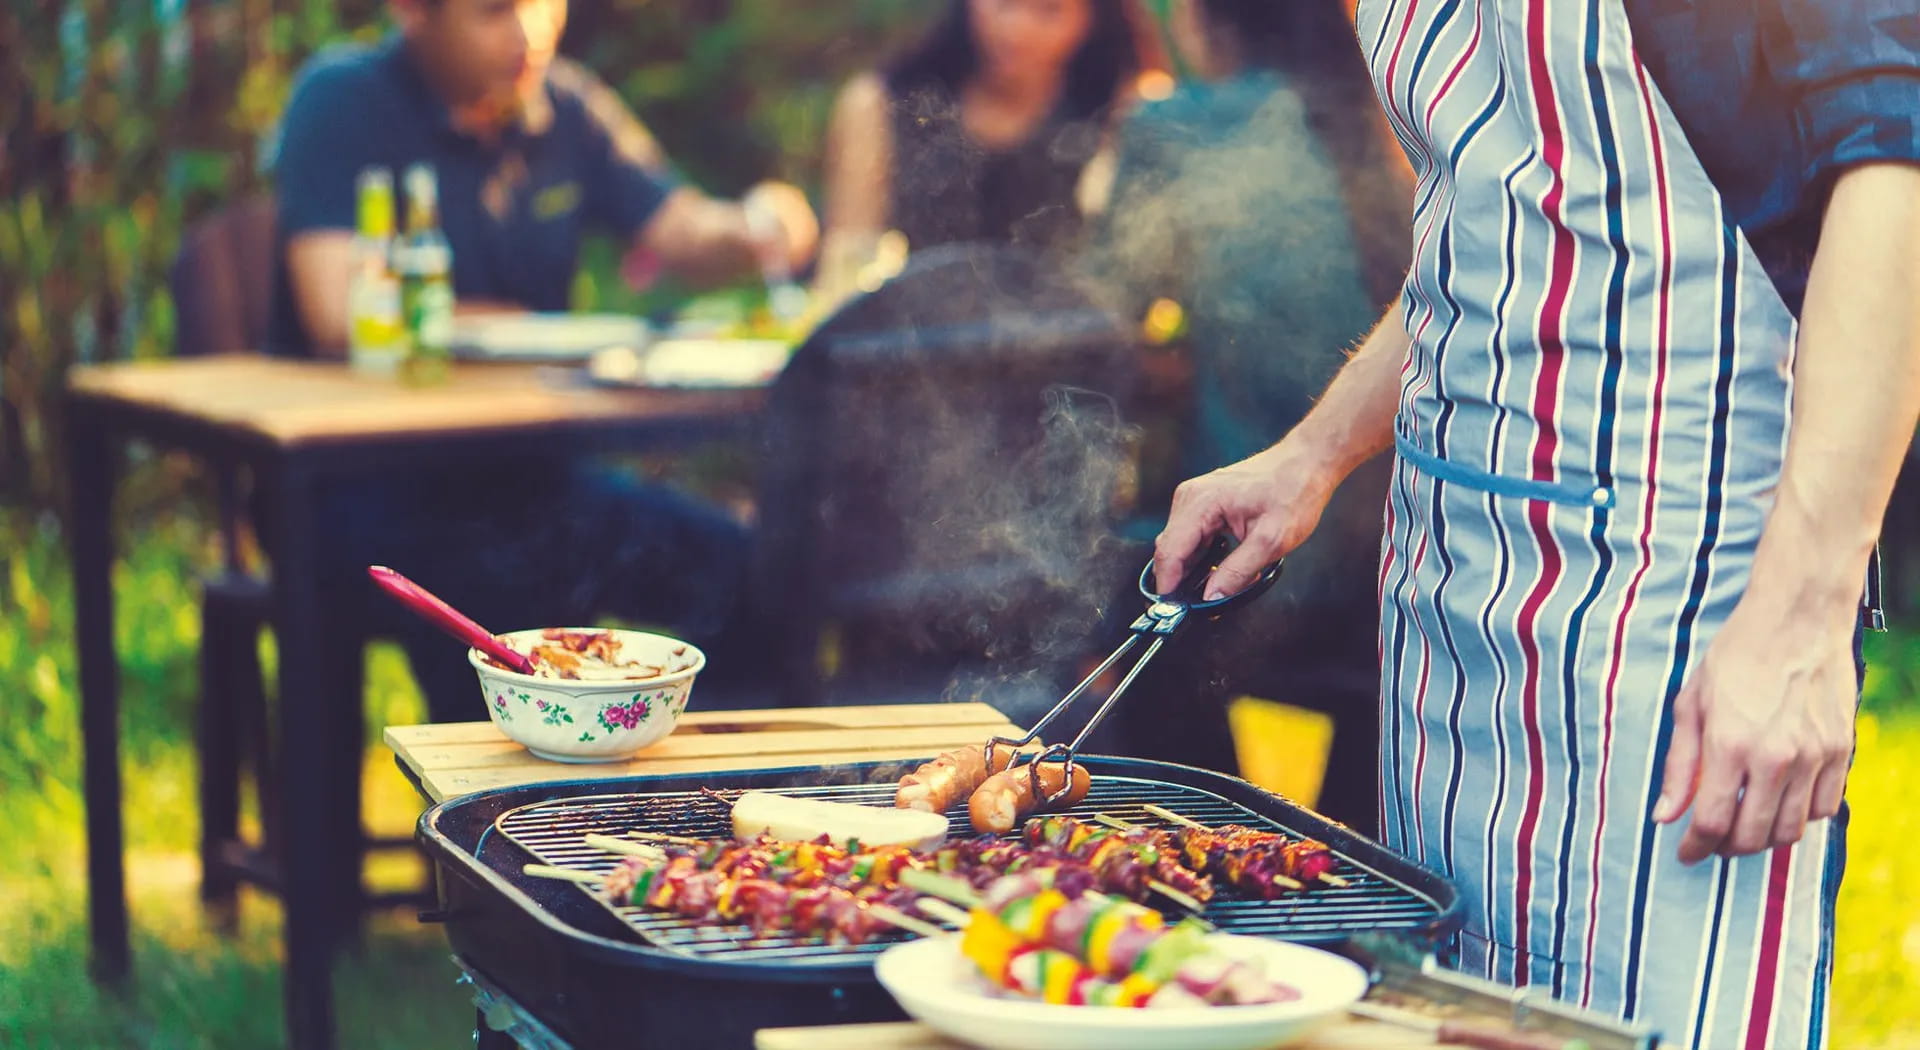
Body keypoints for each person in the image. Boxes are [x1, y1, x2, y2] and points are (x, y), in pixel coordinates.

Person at [1152, 0, 1918, 1044]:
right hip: (1448, 580)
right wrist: (1315, 452)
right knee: (1450, 1012)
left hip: (1674, 596)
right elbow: (1500, 201)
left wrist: (1802, 616)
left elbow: (1895, 167)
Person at [266, 0, 816, 720]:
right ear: (411, 13)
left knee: (748, 576)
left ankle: (707, 807)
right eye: (495, 11)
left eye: (542, 4)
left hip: (530, 479)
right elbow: (337, 313)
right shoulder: (341, 100)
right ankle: (497, 822)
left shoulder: (566, 105)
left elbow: (680, 227)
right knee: (505, 595)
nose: (529, 33)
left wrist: (754, 226)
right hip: (371, 488)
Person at [1079, 0, 1412, 830]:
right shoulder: (1390, 124)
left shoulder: (1176, 125)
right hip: (1393, 572)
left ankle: (1189, 840)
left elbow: (1103, 316)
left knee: (1094, 599)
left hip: (1257, 573)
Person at [815, 0, 1162, 300]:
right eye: (1005, 2)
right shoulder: (880, 103)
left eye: (1050, 10)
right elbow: (850, 259)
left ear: (1094, 18)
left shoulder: (1125, 108)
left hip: (1067, 352)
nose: (1018, 29)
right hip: (909, 348)